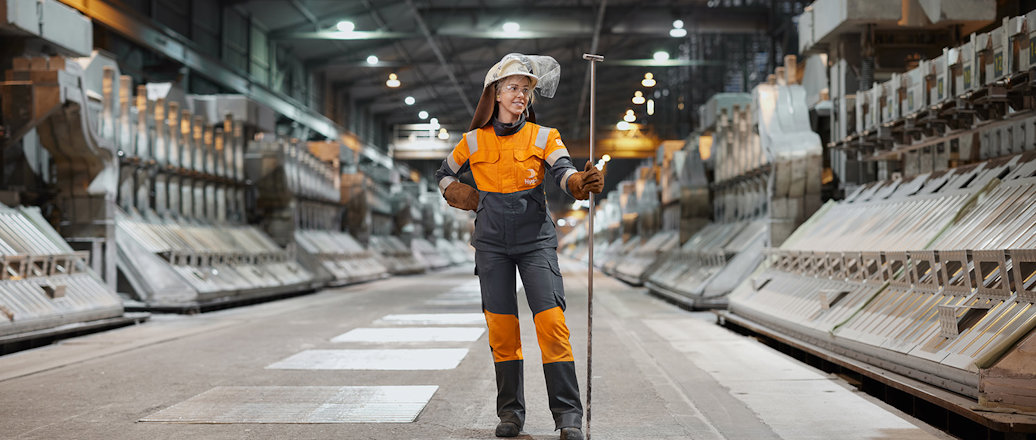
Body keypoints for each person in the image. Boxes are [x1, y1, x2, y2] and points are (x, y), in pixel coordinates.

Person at [434, 53, 603, 440]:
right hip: (491, 244)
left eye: (526, 89)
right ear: (495, 93)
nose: (520, 95)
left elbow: (562, 171)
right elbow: (443, 173)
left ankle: (568, 417)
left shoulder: (545, 136)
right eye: (513, 88)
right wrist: (458, 191)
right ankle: (510, 413)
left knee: (552, 323)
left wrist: (578, 184)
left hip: (535, 243)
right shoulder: (472, 141)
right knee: (502, 328)